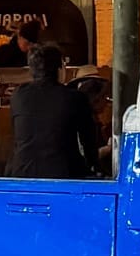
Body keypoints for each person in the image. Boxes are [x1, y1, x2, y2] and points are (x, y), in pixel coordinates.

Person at [6, 44, 98, 180]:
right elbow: (88, 141)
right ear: (59, 69)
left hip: (21, 171)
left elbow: (18, 137)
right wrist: (94, 166)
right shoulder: (74, 98)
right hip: (64, 174)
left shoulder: (18, 96)